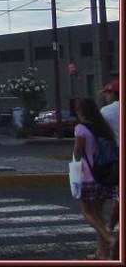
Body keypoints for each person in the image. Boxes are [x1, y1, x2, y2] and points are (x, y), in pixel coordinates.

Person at [73, 97, 118, 260]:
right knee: (98, 215)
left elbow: (77, 154)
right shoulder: (103, 128)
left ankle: (109, 239)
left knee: (87, 213)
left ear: (81, 112)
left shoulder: (81, 129)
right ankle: (102, 253)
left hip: (88, 177)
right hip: (104, 176)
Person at [100, 81, 120, 236]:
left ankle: (110, 228)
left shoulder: (107, 111)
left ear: (114, 93)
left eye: (107, 93)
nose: (105, 96)